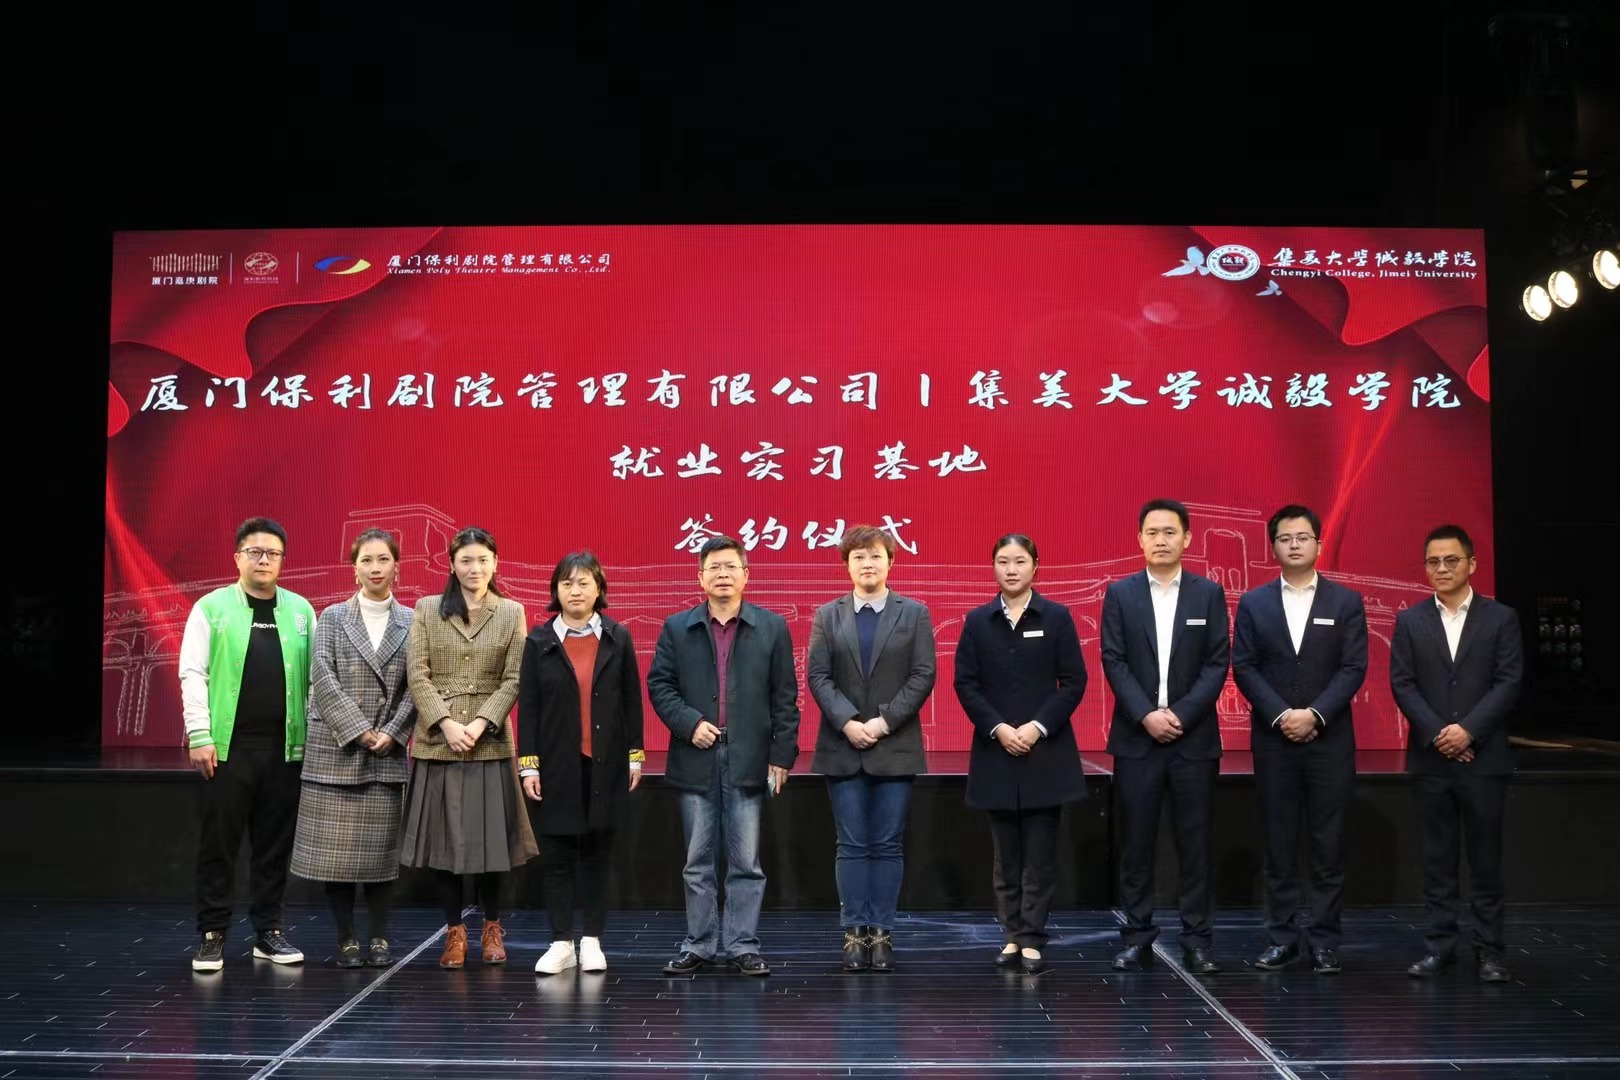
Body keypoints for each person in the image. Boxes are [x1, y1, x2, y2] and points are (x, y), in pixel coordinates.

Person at [647, 536, 800, 977]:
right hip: (696, 755)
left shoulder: (771, 627)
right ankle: (698, 943)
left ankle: (742, 944)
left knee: (745, 861)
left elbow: (785, 698)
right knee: (697, 860)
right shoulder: (678, 627)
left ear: (746, 575)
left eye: (731, 566)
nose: (722, 574)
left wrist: (782, 756)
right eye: (713, 567)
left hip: (750, 756)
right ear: (700, 577)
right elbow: (660, 685)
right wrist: (690, 723)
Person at [1231, 505, 1368, 975]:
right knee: (1279, 843)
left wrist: (1314, 715)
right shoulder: (1254, 603)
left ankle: (1325, 941)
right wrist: (1281, 715)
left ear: (1318, 544)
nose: (1294, 544)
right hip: (1275, 741)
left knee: (1328, 845)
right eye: (1285, 538)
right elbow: (1244, 666)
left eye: (1303, 537)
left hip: (1330, 741)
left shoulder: (1345, 601)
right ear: (1273, 546)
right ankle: (1282, 938)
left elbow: (1353, 667)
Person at [179, 516, 315, 972]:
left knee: (273, 847)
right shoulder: (211, 608)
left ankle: (268, 933)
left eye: (272, 553)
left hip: (284, 750)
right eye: (254, 552)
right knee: (219, 846)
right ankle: (212, 935)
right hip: (227, 750)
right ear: (237, 557)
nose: (263, 560)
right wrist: (200, 734)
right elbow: (192, 672)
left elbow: (315, 682)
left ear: (282, 560)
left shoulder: (301, 611)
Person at [1101, 499, 1230, 974]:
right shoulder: (1121, 593)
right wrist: (1145, 715)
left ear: (1187, 538)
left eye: (1170, 532)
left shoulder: (1208, 594)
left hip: (1193, 741)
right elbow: (1113, 659)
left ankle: (1198, 939)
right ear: (1139, 539)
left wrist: (1180, 714)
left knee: (1195, 845)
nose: (1161, 540)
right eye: (1152, 532)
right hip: (1137, 740)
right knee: (1136, 844)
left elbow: (1217, 662)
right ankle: (1137, 937)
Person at [400, 526, 538, 969]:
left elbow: (514, 678)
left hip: (489, 742)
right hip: (438, 743)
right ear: (451, 564)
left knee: (492, 847)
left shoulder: (511, 611)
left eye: (482, 560)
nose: (474, 568)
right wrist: (445, 723)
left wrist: (479, 723)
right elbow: (417, 674)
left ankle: (492, 927)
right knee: (444, 849)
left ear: (495, 563)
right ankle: (454, 932)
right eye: (465, 560)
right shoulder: (427, 609)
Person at [1390, 524, 1523, 983]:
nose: (1442, 569)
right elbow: (1402, 684)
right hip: (1431, 760)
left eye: (1451, 560)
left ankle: (1490, 951)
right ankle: (1439, 947)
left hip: (1484, 759)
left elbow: (1508, 682)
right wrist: (1439, 734)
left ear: (1472, 563)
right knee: (1437, 858)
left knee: (1485, 860)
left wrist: (1468, 732)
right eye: (1433, 562)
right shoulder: (1410, 621)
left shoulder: (1500, 618)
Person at [952, 533, 1087, 975]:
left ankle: (1032, 937)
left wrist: (1036, 726)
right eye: (1003, 561)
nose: (1011, 569)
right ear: (993, 567)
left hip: (1045, 752)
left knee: (1040, 855)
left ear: (1036, 566)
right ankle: (1012, 934)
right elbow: (965, 684)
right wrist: (998, 728)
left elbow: (1074, 682)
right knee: (1005, 855)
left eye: (1020, 561)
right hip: (996, 751)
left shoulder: (1057, 617)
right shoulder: (978, 621)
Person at [807, 525, 937, 973]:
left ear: (890, 562)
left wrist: (882, 722)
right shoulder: (827, 615)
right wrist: (847, 721)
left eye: (876, 555)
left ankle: (881, 932)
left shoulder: (914, 613)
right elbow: (818, 676)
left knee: (886, 844)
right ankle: (853, 932)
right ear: (846, 565)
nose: (867, 563)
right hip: (842, 745)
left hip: (894, 744)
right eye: (858, 556)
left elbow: (923, 674)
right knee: (851, 844)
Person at [290, 528, 417, 968]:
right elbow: (322, 679)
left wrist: (393, 732)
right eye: (367, 560)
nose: (375, 568)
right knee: (336, 860)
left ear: (397, 567)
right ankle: (346, 938)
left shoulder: (413, 620)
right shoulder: (331, 617)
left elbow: (418, 684)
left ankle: (379, 937)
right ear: (354, 568)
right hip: (338, 750)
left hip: (387, 751)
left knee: (382, 858)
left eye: (383, 559)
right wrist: (361, 730)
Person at [518, 552, 646, 975]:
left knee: (597, 855)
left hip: (605, 764)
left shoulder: (617, 637)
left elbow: (631, 700)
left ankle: (592, 940)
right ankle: (560, 942)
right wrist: (529, 765)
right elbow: (529, 707)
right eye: (567, 583)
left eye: (584, 582)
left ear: (599, 588)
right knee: (557, 857)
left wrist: (635, 755)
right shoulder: (539, 641)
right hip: (557, 766)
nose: (575, 591)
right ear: (556, 590)